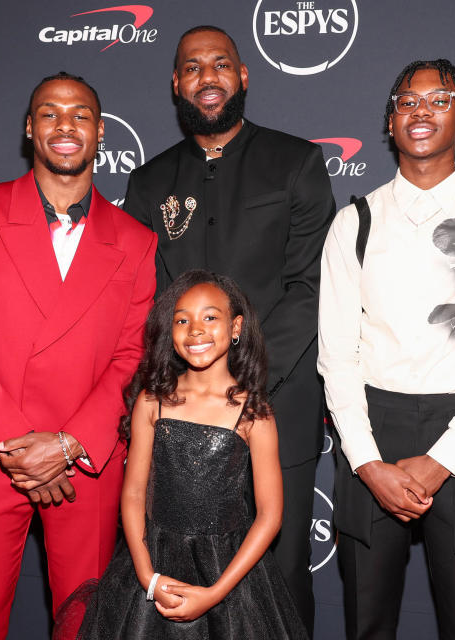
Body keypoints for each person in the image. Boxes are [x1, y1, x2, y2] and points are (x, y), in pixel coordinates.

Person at [0, 71, 157, 639]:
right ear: (30, 128)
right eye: (49, 112)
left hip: (85, 460)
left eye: (80, 114)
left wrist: (69, 443)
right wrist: (18, 446)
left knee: (86, 623)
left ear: (100, 132)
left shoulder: (135, 239)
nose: (65, 124)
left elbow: (133, 356)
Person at [123, 26, 335, 632]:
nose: (207, 77)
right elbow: (144, 300)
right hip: (178, 418)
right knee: (177, 563)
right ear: (175, 84)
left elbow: (310, 286)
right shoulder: (148, 182)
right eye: (192, 67)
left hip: (274, 401)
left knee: (281, 571)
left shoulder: (295, 162)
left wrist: (245, 379)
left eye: (220, 65)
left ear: (244, 76)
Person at [317, 59, 455, 639]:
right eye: (407, 101)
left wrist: (442, 459)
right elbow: (336, 353)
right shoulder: (353, 222)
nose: (421, 111)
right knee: (367, 624)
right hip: (372, 424)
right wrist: (366, 462)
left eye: (439, 100)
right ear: (390, 121)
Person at [55, 270, 308, 639]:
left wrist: (216, 593)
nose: (195, 330)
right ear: (170, 333)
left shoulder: (254, 413)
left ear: (236, 327)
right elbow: (134, 494)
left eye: (210, 317)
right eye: (182, 319)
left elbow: (269, 515)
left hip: (228, 574)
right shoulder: (151, 402)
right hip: (151, 564)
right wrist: (147, 577)